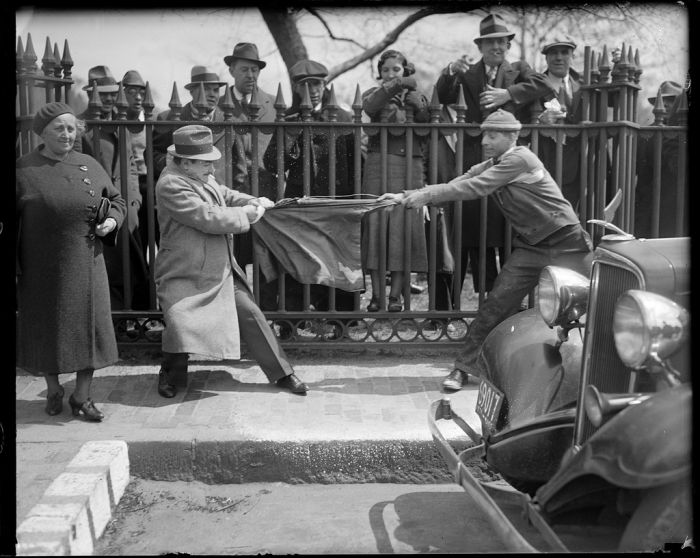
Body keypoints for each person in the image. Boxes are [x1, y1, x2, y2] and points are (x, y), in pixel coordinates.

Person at [379, 110, 593, 391]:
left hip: (568, 241)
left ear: (512, 137)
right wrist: (407, 196)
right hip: (533, 246)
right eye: (484, 134)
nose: (485, 141)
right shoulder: (496, 163)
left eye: (493, 135)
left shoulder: (520, 159)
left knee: (599, 298)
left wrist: (422, 197)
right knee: (495, 305)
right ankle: (463, 369)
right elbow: (462, 181)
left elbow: (476, 187)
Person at [154, 125, 308, 397]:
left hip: (221, 268)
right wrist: (248, 214)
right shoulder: (170, 184)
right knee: (179, 322)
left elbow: (224, 194)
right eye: (206, 164)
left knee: (251, 315)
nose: (212, 170)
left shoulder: (200, 177)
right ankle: (170, 374)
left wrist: (254, 199)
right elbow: (207, 216)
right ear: (186, 163)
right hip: (184, 270)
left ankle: (284, 373)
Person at [16, 102, 127, 421]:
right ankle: (53, 389)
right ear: (42, 133)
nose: (66, 134)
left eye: (70, 128)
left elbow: (116, 199)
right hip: (41, 266)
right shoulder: (24, 169)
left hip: (87, 262)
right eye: (58, 129)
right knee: (47, 329)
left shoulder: (89, 164)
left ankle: (82, 395)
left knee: (90, 328)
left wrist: (112, 221)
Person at [434, 13, 551, 303]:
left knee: (508, 228)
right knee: (470, 224)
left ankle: (511, 302)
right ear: (480, 47)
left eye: (501, 41)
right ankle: (452, 304)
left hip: (511, 159)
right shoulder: (467, 72)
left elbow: (545, 85)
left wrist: (507, 94)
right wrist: (450, 70)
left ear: (507, 45)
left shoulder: (519, 69)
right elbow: (443, 95)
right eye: (490, 43)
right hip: (475, 153)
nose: (497, 47)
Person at [261, 59, 356, 316]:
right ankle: (294, 319)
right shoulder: (288, 118)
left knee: (337, 260)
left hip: (336, 200)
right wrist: (290, 135)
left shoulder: (343, 117)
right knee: (298, 259)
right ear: (296, 88)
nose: (313, 90)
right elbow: (271, 164)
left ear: (325, 84)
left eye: (318, 83)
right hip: (300, 200)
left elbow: (355, 161)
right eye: (306, 85)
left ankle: (341, 320)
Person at [76, 65, 149, 310]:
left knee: (136, 270)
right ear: (90, 94)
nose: (108, 98)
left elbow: (131, 168)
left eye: (111, 93)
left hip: (128, 211)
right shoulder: (81, 128)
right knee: (110, 272)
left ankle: (138, 320)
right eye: (103, 94)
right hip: (102, 211)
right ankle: (117, 323)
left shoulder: (120, 123)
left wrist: (135, 201)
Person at [361, 49, 429, 312]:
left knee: (404, 227)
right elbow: (369, 107)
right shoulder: (372, 93)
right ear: (380, 73)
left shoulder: (415, 95)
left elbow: (425, 122)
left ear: (406, 69)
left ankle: (395, 297)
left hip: (410, 165)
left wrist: (416, 101)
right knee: (377, 226)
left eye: (397, 70)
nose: (391, 74)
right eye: (386, 70)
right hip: (379, 164)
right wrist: (396, 84)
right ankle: (377, 296)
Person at [221, 42, 278, 271]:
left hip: (266, 188)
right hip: (231, 189)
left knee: (265, 255)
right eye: (244, 69)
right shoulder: (220, 105)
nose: (250, 75)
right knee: (234, 254)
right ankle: (235, 305)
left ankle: (266, 307)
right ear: (231, 70)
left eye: (255, 70)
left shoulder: (274, 104)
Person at [152, 65, 245, 187]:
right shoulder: (169, 118)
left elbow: (239, 167)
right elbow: (152, 155)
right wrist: (173, 163)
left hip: (220, 195)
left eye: (215, 90)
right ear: (191, 91)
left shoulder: (230, 122)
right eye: (206, 89)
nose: (212, 94)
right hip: (184, 193)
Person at [534, 38, 585, 209]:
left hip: (580, 165)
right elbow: (519, 117)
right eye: (553, 53)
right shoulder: (534, 84)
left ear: (573, 57)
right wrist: (538, 121)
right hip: (545, 162)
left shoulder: (585, 84)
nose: (559, 57)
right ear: (546, 58)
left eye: (564, 53)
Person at [634, 81, 686, 238]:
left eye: (672, 100)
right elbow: (639, 173)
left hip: (677, 205)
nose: (668, 105)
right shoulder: (645, 134)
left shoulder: (683, 134)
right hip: (650, 205)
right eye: (664, 101)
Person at [120, 69, 160, 249]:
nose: (138, 97)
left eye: (141, 92)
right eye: (131, 92)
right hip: (128, 186)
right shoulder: (115, 123)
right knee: (137, 237)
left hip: (151, 183)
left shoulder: (152, 121)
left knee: (158, 232)